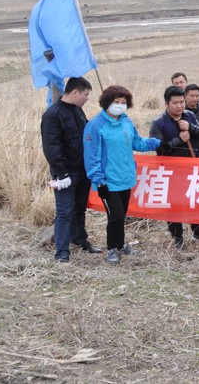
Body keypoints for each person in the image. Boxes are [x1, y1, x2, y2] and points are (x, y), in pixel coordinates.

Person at [83, 85, 162, 264]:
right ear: (106, 103)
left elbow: (138, 143)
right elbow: (91, 156)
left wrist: (159, 143)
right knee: (115, 215)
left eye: (123, 102)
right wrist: (98, 181)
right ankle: (112, 248)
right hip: (108, 182)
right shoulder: (95, 126)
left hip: (126, 178)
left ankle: (121, 245)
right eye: (116, 102)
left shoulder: (126, 122)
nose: (119, 105)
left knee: (122, 214)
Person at [41, 77, 102, 262]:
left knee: (79, 209)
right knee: (65, 211)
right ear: (75, 92)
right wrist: (62, 174)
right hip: (65, 174)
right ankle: (62, 252)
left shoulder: (78, 110)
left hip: (83, 170)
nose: (87, 98)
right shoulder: (53, 115)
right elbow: (52, 147)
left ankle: (80, 241)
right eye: (85, 94)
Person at [149, 86, 199, 249]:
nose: (179, 106)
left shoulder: (190, 116)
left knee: (195, 200)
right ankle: (177, 237)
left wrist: (190, 128)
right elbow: (159, 148)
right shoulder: (158, 123)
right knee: (173, 204)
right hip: (171, 171)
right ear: (166, 104)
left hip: (192, 167)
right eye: (175, 103)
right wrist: (179, 139)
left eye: (181, 102)